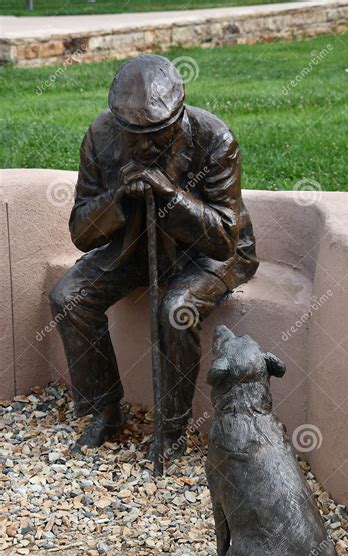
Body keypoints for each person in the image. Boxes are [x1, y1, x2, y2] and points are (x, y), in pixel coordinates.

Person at [49, 54, 258, 460]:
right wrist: (117, 200)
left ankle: (172, 431)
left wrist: (171, 196)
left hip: (205, 253)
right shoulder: (100, 135)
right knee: (68, 298)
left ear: (178, 116)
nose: (144, 145)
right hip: (133, 242)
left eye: (157, 135)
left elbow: (222, 239)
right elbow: (82, 233)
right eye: (133, 135)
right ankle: (106, 411)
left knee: (175, 309)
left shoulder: (216, 139)